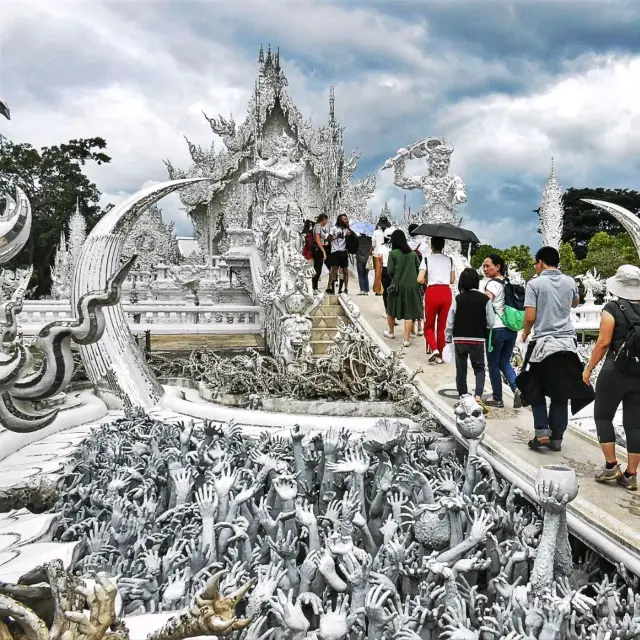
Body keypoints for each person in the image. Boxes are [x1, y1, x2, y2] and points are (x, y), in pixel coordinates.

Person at [519, 246, 594, 451]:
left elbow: (531, 316)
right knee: (560, 394)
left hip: (544, 346)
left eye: (536, 264)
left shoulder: (534, 284)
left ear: (540, 262)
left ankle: (542, 432)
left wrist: (526, 332)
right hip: (567, 346)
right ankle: (557, 439)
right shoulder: (570, 282)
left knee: (536, 389)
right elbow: (575, 303)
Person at [583, 265, 640, 491]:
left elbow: (603, 343)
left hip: (615, 371)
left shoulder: (612, 308)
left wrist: (588, 368)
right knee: (635, 426)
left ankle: (611, 466)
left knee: (603, 416)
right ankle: (631, 475)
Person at [446, 268, 494, 412]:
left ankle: (463, 397)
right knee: (479, 368)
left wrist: (448, 338)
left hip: (459, 339)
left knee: (461, 370)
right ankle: (478, 397)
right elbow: (491, 322)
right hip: (477, 339)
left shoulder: (458, 299)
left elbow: (450, 321)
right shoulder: (485, 299)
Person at [482, 254, 522, 409]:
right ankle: (516, 388)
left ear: (497, 267)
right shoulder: (508, 283)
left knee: (493, 364)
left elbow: (485, 302)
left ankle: (497, 397)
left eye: (488, 266)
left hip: (496, 329)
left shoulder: (492, 284)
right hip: (511, 329)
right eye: (484, 266)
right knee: (504, 361)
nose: (485, 269)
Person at [418, 236, 455, 364]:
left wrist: (427, 279)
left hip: (432, 292)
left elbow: (419, 279)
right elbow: (452, 280)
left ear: (431, 246)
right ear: (443, 246)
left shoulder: (427, 260)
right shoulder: (450, 260)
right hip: (446, 292)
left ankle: (434, 348)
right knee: (442, 325)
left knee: (429, 325)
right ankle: (440, 354)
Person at [384, 229, 422, 347]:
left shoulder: (393, 254)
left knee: (391, 309)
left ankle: (391, 332)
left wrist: (396, 277)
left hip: (397, 286)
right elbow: (418, 268)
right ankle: (406, 340)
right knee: (409, 313)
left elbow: (390, 270)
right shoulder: (413, 254)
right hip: (411, 287)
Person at [326, 213, 352, 294]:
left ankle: (346, 288)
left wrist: (349, 231)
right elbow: (329, 239)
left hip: (343, 252)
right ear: (340, 220)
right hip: (335, 251)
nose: (346, 220)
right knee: (334, 269)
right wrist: (336, 237)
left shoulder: (347, 230)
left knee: (345, 271)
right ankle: (329, 287)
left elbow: (351, 239)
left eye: (346, 219)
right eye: (344, 219)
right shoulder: (334, 228)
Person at [372, 216, 391, 295]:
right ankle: (385, 289)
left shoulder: (376, 232)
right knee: (386, 271)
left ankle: (378, 290)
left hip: (377, 253)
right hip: (387, 253)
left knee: (378, 272)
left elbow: (373, 243)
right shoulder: (390, 231)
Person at [312, 213, 330, 292]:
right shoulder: (318, 227)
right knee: (317, 268)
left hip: (320, 247)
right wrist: (323, 251)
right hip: (318, 249)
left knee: (319, 267)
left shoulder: (321, 227)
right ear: (324, 219)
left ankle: (315, 286)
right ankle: (314, 287)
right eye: (326, 220)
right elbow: (317, 239)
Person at [355, 231, 373, 295]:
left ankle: (362, 290)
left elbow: (355, 248)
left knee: (361, 276)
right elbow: (372, 249)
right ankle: (366, 290)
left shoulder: (357, 239)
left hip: (359, 259)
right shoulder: (370, 240)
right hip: (367, 260)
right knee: (365, 275)